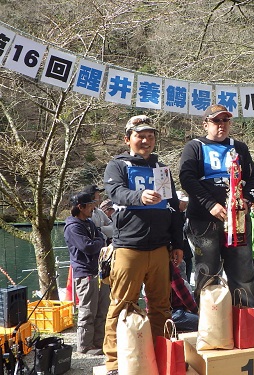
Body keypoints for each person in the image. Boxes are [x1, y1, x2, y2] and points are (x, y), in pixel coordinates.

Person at [179, 104, 254, 343]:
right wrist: (210, 204)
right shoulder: (194, 147)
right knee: (207, 274)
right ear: (205, 124)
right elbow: (186, 178)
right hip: (204, 220)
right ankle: (210, 329)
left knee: (244, 273)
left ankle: (250, 326)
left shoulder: (239, 147)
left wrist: (246, 200)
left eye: (226, 121)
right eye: (217, 121)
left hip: (237, 220)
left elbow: (253, 177)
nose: (222, 125)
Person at [103, 114, 184, 375]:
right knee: (122, 305)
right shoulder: (117, 166)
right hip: (128, 248)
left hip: (161, 248)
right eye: (140, 136)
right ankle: (115, 363)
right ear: (128, 139)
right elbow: (116, 194)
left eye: (150, 136)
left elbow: (173, 208)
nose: (146, 140)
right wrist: (140, 196)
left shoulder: (162, 169)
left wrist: (178, 243)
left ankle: (161, 354)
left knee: (161, 306)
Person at [64, 192, 109, 355]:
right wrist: (98, 241)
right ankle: (84, 345)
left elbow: (99, 240)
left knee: (102, 309)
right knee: (87, 311)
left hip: (98, 271)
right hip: (84, 273)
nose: (93, 208)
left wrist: (98, 241)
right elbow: (88, 246)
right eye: (89, 205)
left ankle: (98, 341)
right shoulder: (73, 227)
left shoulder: (89, 223)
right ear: (80, 207)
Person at [170, 262, 199, 332]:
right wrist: (196, 310)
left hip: (164, 313)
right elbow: (182, 293)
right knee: (204, 323)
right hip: (173, 313)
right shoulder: (169, 267)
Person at [176, 190, 194, 283]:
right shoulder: (171, 216)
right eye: (183, 202)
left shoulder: (186, 215)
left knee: (187, 281)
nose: (185, 204)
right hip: (177, 254)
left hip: (187, 254)